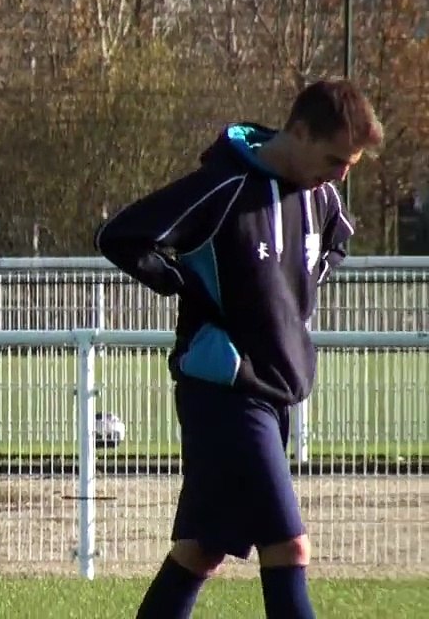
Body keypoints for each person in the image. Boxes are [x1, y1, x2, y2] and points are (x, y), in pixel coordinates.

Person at [93, 79, 383, 619]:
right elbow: (121, 236)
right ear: (298, 132)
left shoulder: (323, 196)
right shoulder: (223, 188)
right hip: (226, 390)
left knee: (201, 550)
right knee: (289, 547)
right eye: (335, 157)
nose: (342, 172)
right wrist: (186, 285)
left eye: (350, 163)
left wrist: (295, 285)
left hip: (276, 394)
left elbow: (337, 241)